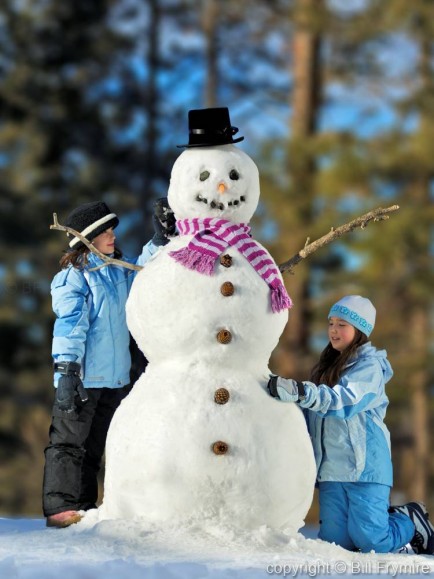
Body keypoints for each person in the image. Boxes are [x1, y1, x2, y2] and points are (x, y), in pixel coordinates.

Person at [43, 199, 175, 528]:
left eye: (113, 228)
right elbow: (70, 326)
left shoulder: (118, 271)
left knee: (95, 447)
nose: (113, 234)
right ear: (88, 237)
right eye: (106, 230)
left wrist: (159, 241)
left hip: (114, 380)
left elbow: (143, 274)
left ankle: (84, 507)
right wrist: (67, 371)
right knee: (69, 444)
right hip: (82, 377)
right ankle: (61, 509)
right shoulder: (73, 277)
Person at [267, 295, 434, 555]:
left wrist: (301, 391)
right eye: (331, 323)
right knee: (335, 546)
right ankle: (382, 521)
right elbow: (311, 413)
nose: (333, 329)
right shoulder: (325, 369)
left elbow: (345, 402)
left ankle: (410, 520)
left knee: (372, 542)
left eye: (342, 324)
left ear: (360, 330)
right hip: (332, 471)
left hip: (365, 468)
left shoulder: (370, 368)